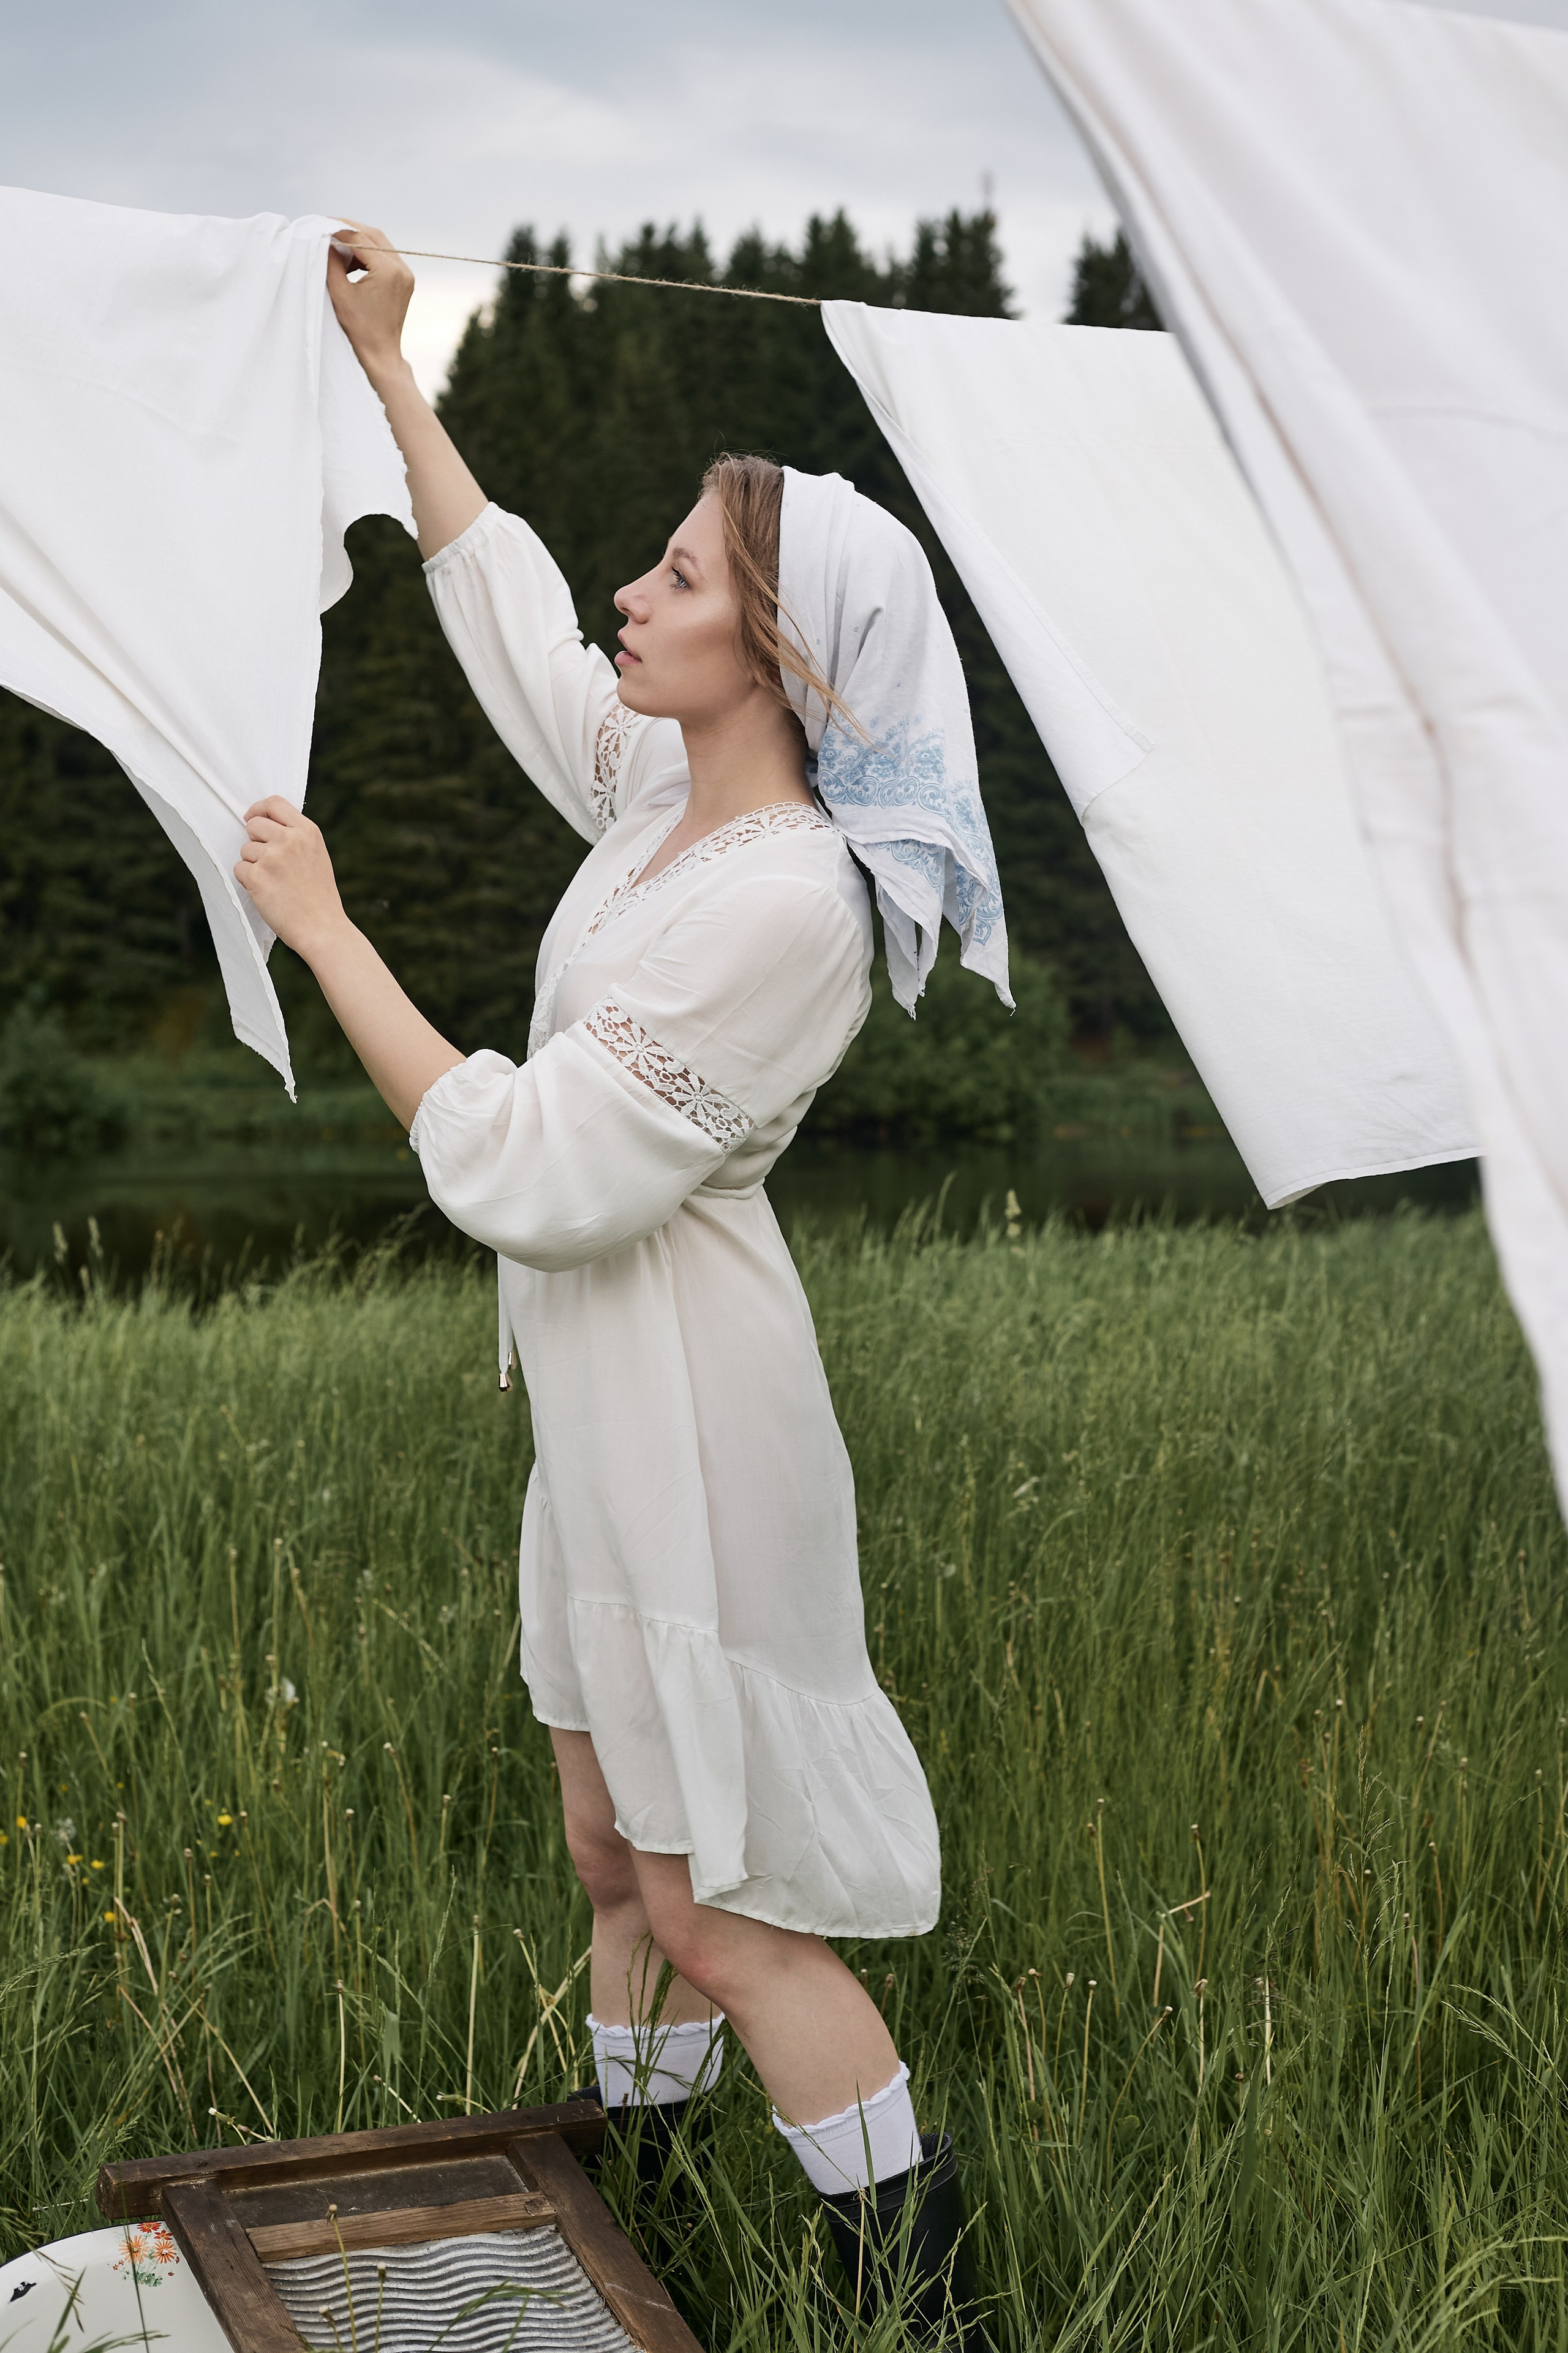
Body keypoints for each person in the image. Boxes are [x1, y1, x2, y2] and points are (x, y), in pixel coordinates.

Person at [235, 222, 1009, 2338]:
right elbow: (517, 640)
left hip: (694, 1417)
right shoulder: (659, 800)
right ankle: (640, 2214)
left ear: (782, 657)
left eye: (676, 581)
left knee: (717, 1890)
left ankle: (921, 2297)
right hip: (594, 1418)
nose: (630, 599)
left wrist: (325, 928)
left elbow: (538, 1164)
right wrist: (397, 378)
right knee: (606, 1837)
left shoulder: (796, 905)